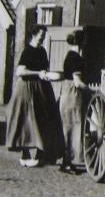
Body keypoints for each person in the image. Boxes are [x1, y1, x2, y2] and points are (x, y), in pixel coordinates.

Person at [5, 24, 63, 167]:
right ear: (33, 35)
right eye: (40, 36)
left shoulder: (42, 51)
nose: (42, 39)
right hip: (26, 89)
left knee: (44, 118)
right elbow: (20, 71)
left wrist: (48, 75)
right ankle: (25, 154)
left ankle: (41, 153)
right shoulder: (28, 51)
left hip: (41, 89)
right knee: (26, 120)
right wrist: (38, 73)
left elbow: (45, 69)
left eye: (43, 37)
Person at [58, 30, 88, 173]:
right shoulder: (76, 58)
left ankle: (66, 160)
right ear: (81, 42)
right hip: (73, 94)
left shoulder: (69, 55)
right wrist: (92, 90)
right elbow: (77, 82)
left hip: (65, 91)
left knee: (67, 126)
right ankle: (68, 162)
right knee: (73, 126)